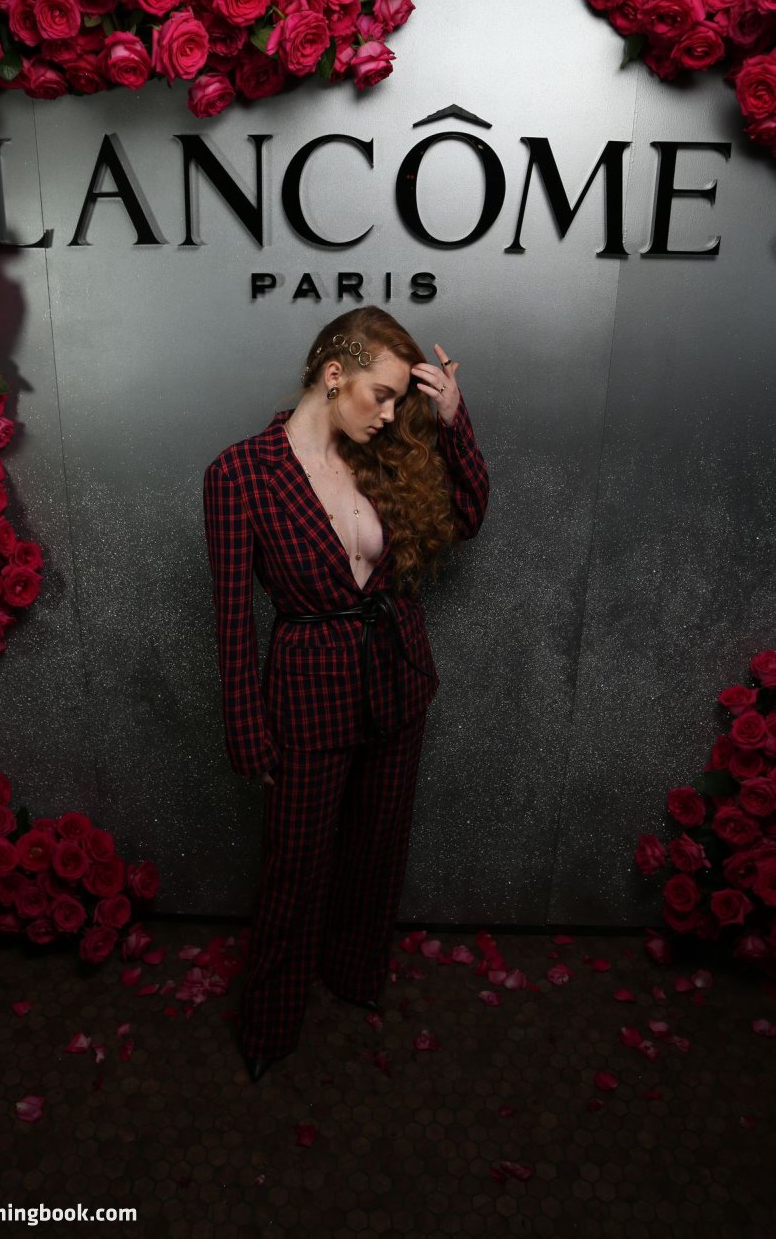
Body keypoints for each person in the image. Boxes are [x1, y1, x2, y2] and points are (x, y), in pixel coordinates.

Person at [202, 305, 489, 1082]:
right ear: (334, 375)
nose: (390, 414)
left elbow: (468, 516)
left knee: (376, 849)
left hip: (399, 680)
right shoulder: (239, 474)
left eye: (398, 400)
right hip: (307, 695)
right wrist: (245, 726)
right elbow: (232, 618)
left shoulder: (384, 457)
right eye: (382, 394)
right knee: (296, 866)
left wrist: (453, 423)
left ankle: (354, 974)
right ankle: (270, 1021)